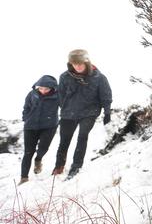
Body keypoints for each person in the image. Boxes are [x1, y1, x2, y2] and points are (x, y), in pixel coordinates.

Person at [52, 49, 112, 180]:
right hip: (69, 113)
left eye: (80, 63)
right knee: (64, 140)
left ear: (87, 62)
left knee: (82, 136)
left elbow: (106, 95)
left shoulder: (99, 77)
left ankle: (76, 166)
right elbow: (60, 96)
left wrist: (107, 112)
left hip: (89, 112)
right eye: (74, 63)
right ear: (70, 63)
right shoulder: (64, 77)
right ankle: (59, 166)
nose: (78, 66)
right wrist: (66, 108)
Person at [20, 75, 59, 185]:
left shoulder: (58, 96)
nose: (43, 91)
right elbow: (26, 107)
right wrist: (26, 118)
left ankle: (38, 159)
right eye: (41, 88)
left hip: (49, 126)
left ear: (52, 88)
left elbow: (66, 105)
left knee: (43, 148)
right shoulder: (32, 94)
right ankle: (24, 178)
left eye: (46, 89)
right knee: (28, 152)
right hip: (30, 126)